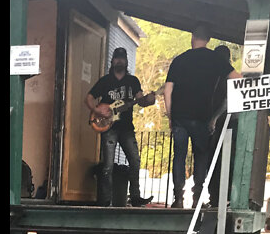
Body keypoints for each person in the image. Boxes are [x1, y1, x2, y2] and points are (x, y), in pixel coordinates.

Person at [164, 26, 242, 208]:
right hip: (202, 117)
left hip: (180, 117)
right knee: (200, 156)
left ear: (193, 37)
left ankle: (178, 198)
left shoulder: (180, 60)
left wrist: (170, 115)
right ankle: (197, 198)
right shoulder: (215, 59)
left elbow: (168, 90)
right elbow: (236, 78)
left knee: (179, 156)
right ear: (208, 39)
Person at [85, 47, 155, 207]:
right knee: (107, 166)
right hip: (108, 128)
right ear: (112, 61)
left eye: (122, 58)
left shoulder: (133, 81)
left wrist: (149, 100)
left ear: (126, 61)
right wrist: (97, 110)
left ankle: (135, 197)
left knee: (135, 160)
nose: (119, 61)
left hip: (126, 128)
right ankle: (105, 201)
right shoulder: (105, 81)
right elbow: (88, 98)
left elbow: (140, 100)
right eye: (117, 58)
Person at [207, 45, 239, 208]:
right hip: (217, 124)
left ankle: (226, 196)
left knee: (226, 160)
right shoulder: (213, 77)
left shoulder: (228, 76)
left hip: (228, 123)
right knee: (213, 160)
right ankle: (215, 197)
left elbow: (227, 101)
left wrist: (214, 119)